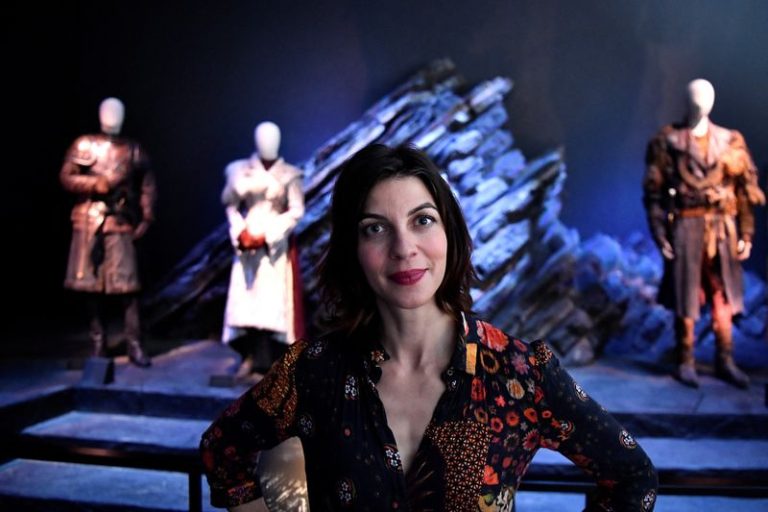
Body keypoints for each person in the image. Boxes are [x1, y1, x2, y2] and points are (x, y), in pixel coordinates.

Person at [201, 144, 658, 511]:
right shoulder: (314, 369)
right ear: (352, 250)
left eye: (422, 220)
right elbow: (221, 450)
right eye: (375, 228)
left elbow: (633, 477)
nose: (404, 248)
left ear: (449, 233)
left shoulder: (518, 372)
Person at [643, 79, 765, 389]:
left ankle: (725, 358)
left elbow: (744, 192)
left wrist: (746, 233)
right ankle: (685, 359)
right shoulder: (668, 142)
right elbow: (654, 194)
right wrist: (660, 233)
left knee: (723, 295)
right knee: (686, 293)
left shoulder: (729, 142)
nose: (701, 103)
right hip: (686, 225)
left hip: (722, 228)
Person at [60, 97, 156, 367]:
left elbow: (147, 183)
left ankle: (134, 343)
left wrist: (147, 215)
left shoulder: (133, 150)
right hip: (89, 222)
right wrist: (95, 184)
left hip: (120, 220)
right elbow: (67, 177)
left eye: (117, 112)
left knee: (128, 287)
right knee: (90, 287)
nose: (112, 116)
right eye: (108, 111)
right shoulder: (85, 144)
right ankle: (98, 343)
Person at [220, 121, 305, 379]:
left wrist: (269, 235)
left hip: (273, 242)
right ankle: (247, 356)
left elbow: (296, 210)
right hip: (247, 239)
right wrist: (240, 232)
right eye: (263, 138)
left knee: (270, 301)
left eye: (272, 138)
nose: (267, 143)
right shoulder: (241, 171)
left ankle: (268, 362)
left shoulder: (289, 174)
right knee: (246, 300)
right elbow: (231, 205)